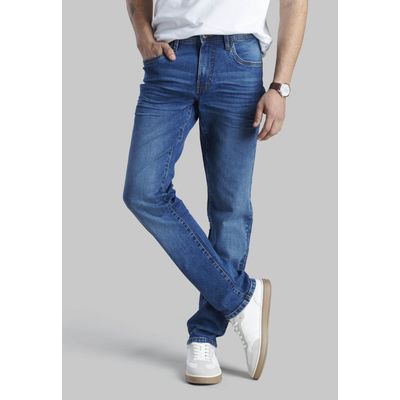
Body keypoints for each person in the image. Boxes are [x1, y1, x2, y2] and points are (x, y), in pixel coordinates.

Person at [123, 0, 307, 385]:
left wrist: (280, 86)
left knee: (230, 207)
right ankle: (242, 299)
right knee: (142, 191)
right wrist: (142, 33)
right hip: (169, 59)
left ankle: (204, 336)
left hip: (237, 58)